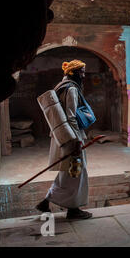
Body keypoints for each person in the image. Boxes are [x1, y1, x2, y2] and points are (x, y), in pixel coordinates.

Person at [35, 59, 92, 219]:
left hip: (61, 136)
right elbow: (71, 117)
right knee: (77, 173)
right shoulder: (72, 89)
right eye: (82, 72)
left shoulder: (60, 86)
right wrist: (76, 142)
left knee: (68, 173)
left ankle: (46, 201)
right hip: (70, 138)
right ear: (74, 73)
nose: (84, 75)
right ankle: (73, 210)